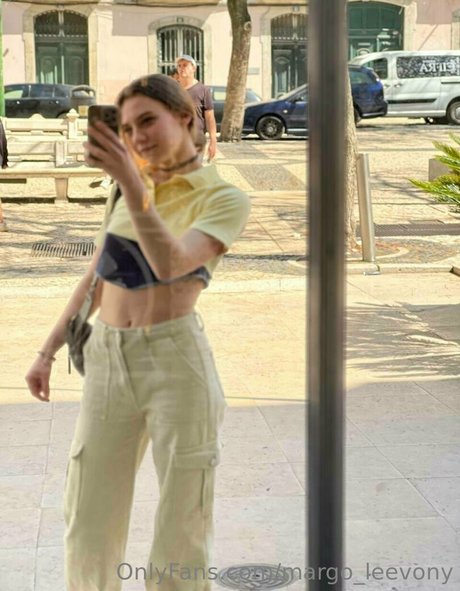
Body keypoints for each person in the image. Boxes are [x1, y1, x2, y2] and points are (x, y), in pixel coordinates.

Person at [25, 74, 250, 591]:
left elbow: (171, 264)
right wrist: (48, 349)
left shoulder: (223, 197)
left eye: (148, 120)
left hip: (175, 360)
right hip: (107, 356)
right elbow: (96, 276)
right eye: (126, 128)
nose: (137, 136)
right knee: (87, 514)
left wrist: (130, 182)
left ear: (186, 117)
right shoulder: (131, 188)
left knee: (182, 521)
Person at [176, 54, 217, 162]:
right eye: (179, 65)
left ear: (194, 69)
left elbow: (210, 118)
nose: (181, 68)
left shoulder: (203, 90)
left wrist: (213, 141)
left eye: (185, 65)